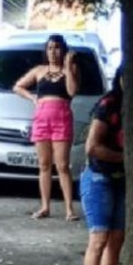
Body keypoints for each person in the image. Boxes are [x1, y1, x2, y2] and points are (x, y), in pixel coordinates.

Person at [13, 34, 80, 221]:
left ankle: (69, 209)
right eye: (50, 48)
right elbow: (18, 86)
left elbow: (72, 91)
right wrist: (33, 98)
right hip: (42, 118)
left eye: (57, 47)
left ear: (63, 50)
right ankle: (45, 206)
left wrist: (68, 66)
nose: (53, 52)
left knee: (63, 165)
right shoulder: (40, 70)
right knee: (44, 164)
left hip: (62, 117)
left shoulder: (70, 69)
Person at [79, 68, 125, 265]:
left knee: (116, 240)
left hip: (121, 179)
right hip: (98, 178)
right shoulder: (109, 105)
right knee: (98, 240)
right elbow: (92, 147)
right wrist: (125, 158)